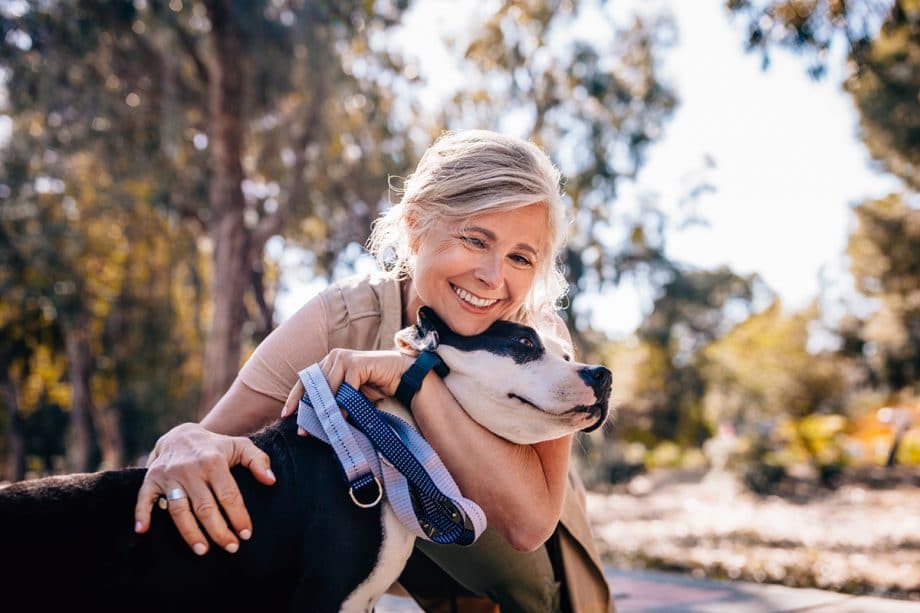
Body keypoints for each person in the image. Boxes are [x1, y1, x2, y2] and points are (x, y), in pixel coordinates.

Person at [133, 130, 613, 613]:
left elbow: (527, 527)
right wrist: (182, 443)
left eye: (520, 258)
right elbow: (205, 440)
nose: (493, 277)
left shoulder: (540, 342)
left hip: (530, 587)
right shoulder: (342, 318)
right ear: (416, 224)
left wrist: (413, 377)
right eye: (474, 239)